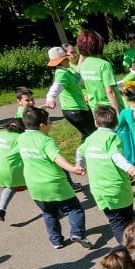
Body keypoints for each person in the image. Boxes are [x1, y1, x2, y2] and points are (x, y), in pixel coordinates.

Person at [17, 107, 91, 250]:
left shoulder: (20, 138)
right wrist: (73, 168)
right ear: (42, 126)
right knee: (74, 208)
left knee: (48, 212)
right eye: (49, 121)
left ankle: (56, 241)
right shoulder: (46, 140)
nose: (51, 124)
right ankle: (77, 233)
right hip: (54, 183)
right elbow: (57, 158)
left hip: (34, 185)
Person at [75, 105, 135, 243]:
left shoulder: (90, 139)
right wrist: (130, 168)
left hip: (99, 190)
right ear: (116, 122)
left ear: (95, 122)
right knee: (128, 219)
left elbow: (79, 151)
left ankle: (128, 248)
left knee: (115, 221)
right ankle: (133, 247)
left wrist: (79, 165)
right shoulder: (113, 138)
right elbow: (116, 156)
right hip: (117, 189)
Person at [43, 47, 95, 139]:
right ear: (62, 61)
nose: (68, 59)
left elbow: (77, 79)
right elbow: (56, 87)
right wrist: (50, 98)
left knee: (87, 135)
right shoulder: (61, 73)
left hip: (71, 110)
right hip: (76, 110)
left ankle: (81, 153)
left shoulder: (67, 72)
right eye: (66, 58)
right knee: (93, 134)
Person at [0, 118, 27, 222]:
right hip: (12, 168)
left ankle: (0, 210)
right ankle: (54, 211)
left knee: (11, 185)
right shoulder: (21, 138)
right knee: (34, 184)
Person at [76, 29, 122, 114]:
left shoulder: (83, 65)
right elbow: (110, 91)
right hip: (109, 108)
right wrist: (118, 114)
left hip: (95, 109)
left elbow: (78, 79)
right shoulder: (104, 65)